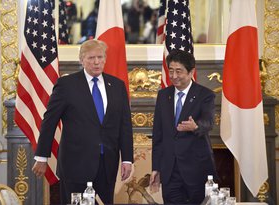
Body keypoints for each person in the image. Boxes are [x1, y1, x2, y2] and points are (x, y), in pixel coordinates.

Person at [32, 39, 133, 204]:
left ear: (105, 59)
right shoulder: (67, 85)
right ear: (81, 60)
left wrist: (127, 159)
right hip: (75, 166)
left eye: (100, 57)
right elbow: (49, 121)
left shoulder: (117, 86)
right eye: (91, 58)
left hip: (107, 165)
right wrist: (42, 156)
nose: (96, 62)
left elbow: (125, 125)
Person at [149, 50, 217, 204]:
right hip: (170, 171)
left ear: (191, 71)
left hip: (196, 170)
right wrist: (156, 168)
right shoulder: (163, 95)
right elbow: (158, 135)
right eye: (170, 71)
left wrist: (195, 126)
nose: (173, 76)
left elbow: (209, 122)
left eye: (178, 71)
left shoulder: (205, 95)